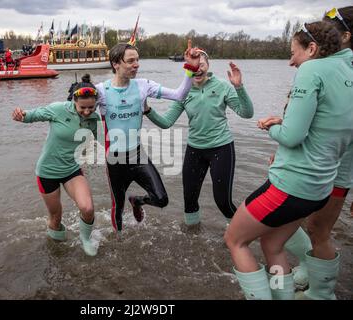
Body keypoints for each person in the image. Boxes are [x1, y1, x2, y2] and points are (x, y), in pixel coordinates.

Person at [224, 21, 352, 300]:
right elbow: (328, 124)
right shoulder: (347, 70)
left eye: (293, 53)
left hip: (291, 186)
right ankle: (284, 296)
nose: (291, 61)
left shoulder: (312, 69)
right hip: (320, 188)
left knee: (236, 240)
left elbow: (292, 137)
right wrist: (285, 121)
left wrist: (270, 127)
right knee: (272, 243)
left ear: (312, 49)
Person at [282, 6, 353, 300]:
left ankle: (322, 293)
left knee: (317, 228)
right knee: (306, 225)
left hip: (338, 168)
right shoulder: (325, 67)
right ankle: (311, 272)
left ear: (346, 35)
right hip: (312, 164)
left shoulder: (335, 70)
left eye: (330, 31)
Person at [95, 41, 200, 233]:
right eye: (131, 61)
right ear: (115, 63)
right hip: (115, 160)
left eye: (137, 60)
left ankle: (137, 201)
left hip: (137, 156)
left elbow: (179, 95)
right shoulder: (101, 91)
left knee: (161, 199)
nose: (136, 65)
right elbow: (78, 111)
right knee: (117, 207)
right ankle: (118, 245)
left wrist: (191, 67)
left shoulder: (143, 86)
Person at [144, 50, 253, 226]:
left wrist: (239, 87)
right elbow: (166, 122)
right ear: (188, 68)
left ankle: (239, 237)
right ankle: (192, 237)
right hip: (195, 150)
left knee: (222, 201)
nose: (198, 69)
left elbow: (246, 113)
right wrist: (147, 110)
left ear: (207, 66)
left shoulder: (223, 86)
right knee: (189, 200)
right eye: (194, 66)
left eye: (201, 64)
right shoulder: (183, 93)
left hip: (221, 148)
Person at [12, 74, 102, 256]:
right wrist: (22, 115)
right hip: (47, 172)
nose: (87, 111)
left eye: (91, 107)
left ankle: (85, 239)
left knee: (88, 208)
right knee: (55, 217)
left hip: (72, 170)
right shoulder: (58, 109)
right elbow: (35, 114)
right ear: (73, 100)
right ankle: (56, 249)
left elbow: (95, 142)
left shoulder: (94, 119)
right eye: (82, 107)